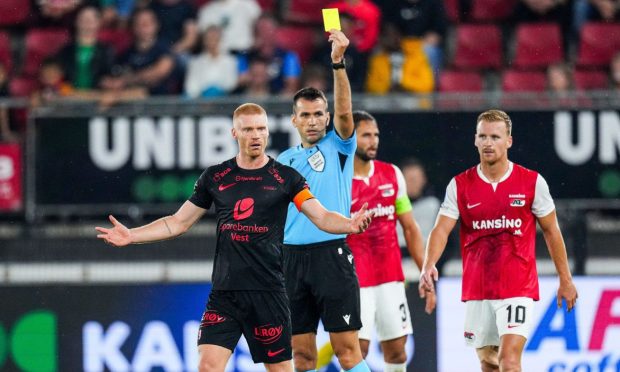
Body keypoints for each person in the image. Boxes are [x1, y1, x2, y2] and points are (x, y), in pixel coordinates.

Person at [96, 102, 373, 372]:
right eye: (248, 129)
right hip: (224, 294)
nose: (256, 136)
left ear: (267, 132)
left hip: (269, 294)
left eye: (261, 129)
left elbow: (321, 215)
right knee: (207, 366)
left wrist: (350, 224)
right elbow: (177, 223)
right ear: (234, 133)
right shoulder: (216, 177)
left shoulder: (286, 178)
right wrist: (132, 235)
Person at [420, 109, 578, 372]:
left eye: (495, 136)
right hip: (478, 287)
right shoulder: (460, 185)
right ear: (475, 140)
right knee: (489, 363)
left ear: (509, 141)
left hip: (518, 285)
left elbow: (552, 230)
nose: (488, 143)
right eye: (482, 136)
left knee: (509, 360)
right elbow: (441, 229)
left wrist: (566, 279)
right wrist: (428, 264)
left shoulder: (531, 182)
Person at [276, 30, 371, 372]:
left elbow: (347, 113)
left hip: (331, 256)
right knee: (301, 358)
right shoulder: (282, 161)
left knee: (347, 353)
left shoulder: (339, 146)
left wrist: (338, 63)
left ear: (327, 118)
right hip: (290, 261)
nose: (313, 120)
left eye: (319, 114)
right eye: (306, 115)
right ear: (294, 120)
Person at [347, 111, 435, 371]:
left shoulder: (392, 174)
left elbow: (410, 228)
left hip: (390, 276)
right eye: (365, 135)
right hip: (354, 280)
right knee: (357, 352)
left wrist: (425, 273)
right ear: (350, 138)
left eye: (376, 135)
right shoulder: (339, 182)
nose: (373, 141)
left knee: (397, 352)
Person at [56, 6, 115, 90]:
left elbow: (110, 76)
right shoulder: (65, 51)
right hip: (69, 97)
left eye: (91, 20)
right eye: (83, 19)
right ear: (76, 21)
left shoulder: (107, 51)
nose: (87, 23)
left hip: (97, 97)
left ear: (99, 22)